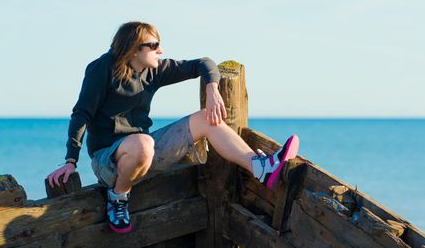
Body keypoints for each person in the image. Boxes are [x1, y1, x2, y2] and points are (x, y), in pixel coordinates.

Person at [47, 21, 299, 234]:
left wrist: (212, 88)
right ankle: (118, 198)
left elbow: (205, 63)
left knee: (205, 118)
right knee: (143, 143)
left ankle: (260, 167)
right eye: (154, 45)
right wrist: (71, 160)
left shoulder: (153, 71)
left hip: (144, 152)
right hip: (108, 161)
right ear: (134, 50)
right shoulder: (102, 69)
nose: (160, 50)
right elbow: (81, 114)